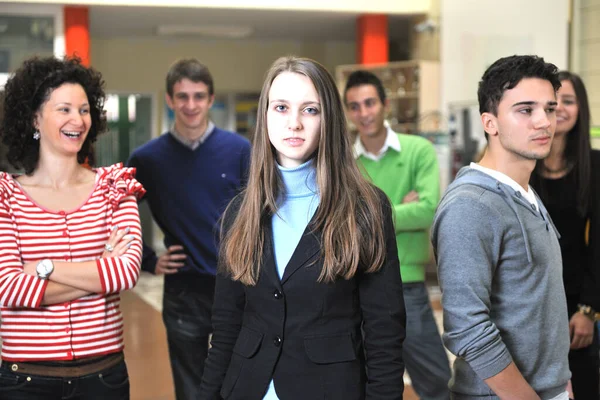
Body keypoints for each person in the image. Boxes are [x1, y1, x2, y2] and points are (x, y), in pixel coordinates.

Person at [199, 56, 406, 400]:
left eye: (310, 110)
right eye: (281, 107)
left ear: (329, 119)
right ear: (264, 115)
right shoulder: (241, 211)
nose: (293, 123)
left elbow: (385, 334)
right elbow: (225, 328)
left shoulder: (365, 208)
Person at [0, 56, 144, 399]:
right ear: (35, 117)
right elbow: (8, 288)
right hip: (26, 381)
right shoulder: (6, 194)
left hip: (104, 378)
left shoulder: (115, 186)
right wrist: (100, 268)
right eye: (64, 109)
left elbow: (126, 273)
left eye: (84, 110)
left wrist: (44, 269)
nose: (77, 120)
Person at [431, 55, 571, 399]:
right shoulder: (471, 205)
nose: (544, 122)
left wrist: (560, 382)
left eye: (549, 109)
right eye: (526, 110)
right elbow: (467, 329)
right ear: (490, 123)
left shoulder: (522, 192)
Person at [127, 58, 250, 399]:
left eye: (198, 96)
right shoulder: (148, 158)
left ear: (211, 99)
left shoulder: (240, 151)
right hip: (184, 290)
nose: (191, 105)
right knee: (190, 387)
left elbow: (262, 212)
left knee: (241, 381)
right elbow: (115, 213)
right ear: (169, 99)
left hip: (238, 285)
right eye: (182, 97)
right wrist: (148, 260)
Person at [344, 70, 450, 399]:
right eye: (355, 106)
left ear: (385, 105)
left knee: (436, 380)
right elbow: (341, 221)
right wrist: (397, 209)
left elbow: (428, 210)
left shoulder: (418, 151)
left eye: (370, 103)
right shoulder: (345, 160)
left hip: (408, 285)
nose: (364, 113)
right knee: (362, 381)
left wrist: (369, 212)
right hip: (354, 286)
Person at [530, 70, 600, 399]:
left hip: (577, 306)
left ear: (581, 108)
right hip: (529, 302)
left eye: (567, 101)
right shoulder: (524, 165)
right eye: (551, 103)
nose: (559, 109)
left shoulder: (595, 167)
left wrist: (588, 310)